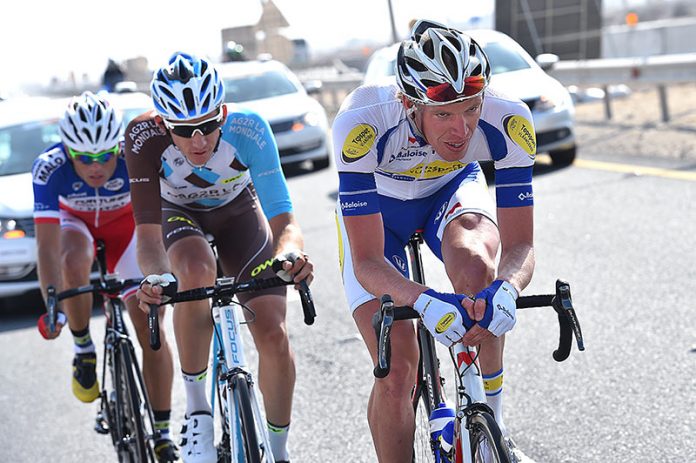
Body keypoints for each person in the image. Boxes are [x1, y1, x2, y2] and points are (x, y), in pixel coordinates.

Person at [333, 20, 536, 462]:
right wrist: (424, 300)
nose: (461, 130)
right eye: (443, 114)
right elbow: (367, 260)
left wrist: (507, 289)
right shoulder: (361, 120)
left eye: (470, 109)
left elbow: (520, 246)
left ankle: (491, 430)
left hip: (448, 190)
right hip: (380, 214)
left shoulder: (509, 117)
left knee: (479, 268)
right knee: (400, 371)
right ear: (409, 104)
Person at [125, 52, 313, 463]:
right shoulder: (142, 137)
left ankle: (279, 452)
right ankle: (197, 413)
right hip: (178, 215)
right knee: (193, 271)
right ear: (162, 124)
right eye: (184, 129)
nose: (199, 140)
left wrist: (290, 254)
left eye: (209, 125)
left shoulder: (250, 130)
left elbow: (284, 222)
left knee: (274, 336)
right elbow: (148, 237)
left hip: (238, 214)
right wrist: (157, 278)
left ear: (223, 112)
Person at [33, 91, 179, 461]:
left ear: (117, 146)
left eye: (104, 156)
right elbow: (47, 249)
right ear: (67, 150)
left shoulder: (132, 158)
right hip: (76, 228)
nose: (95, 166)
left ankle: (161, 432)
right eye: (83, 158)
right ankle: (83, 348)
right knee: (72, 257)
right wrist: (53, 306)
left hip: (127, 232)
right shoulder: (48, 169)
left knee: (153, 332)